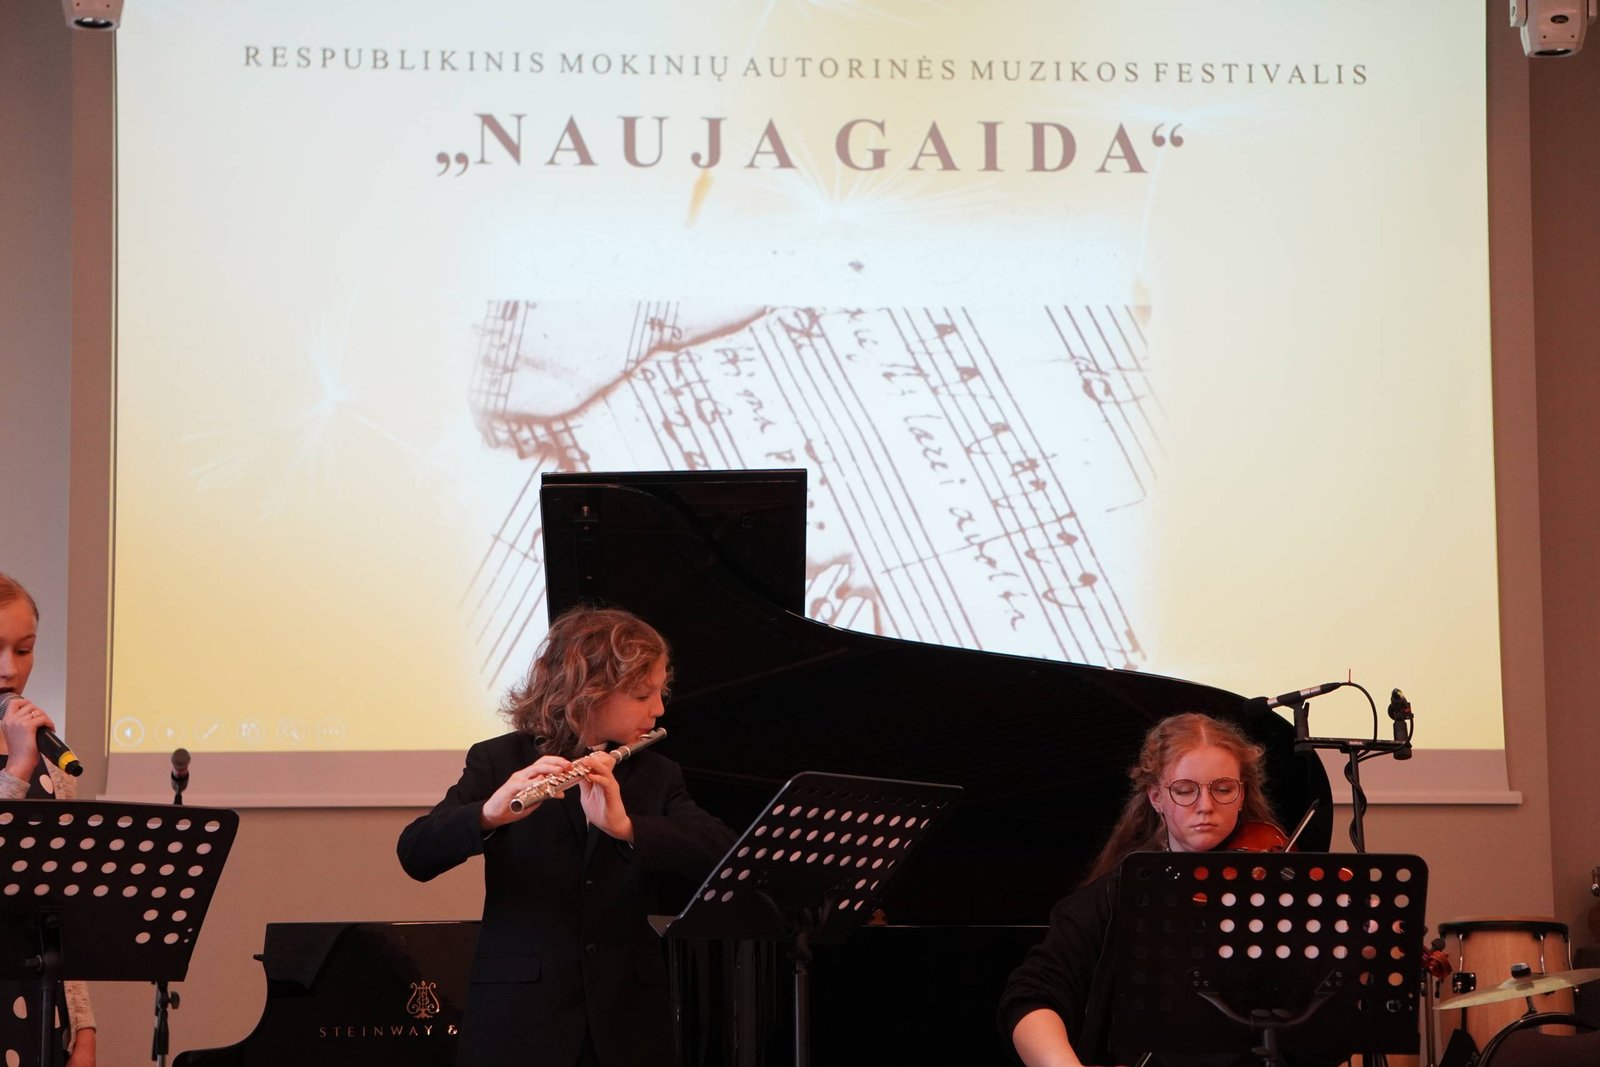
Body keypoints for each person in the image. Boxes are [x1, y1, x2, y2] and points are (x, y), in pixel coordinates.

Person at [397, 605, 734, 1067]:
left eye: (660, 691)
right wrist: (489, 814)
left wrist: (627, 828)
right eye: (642, 694)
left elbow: (723, 852)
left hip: (627, 1023)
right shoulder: (499, 761)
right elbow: (415, 853)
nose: (658, 709)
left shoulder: (656, 774)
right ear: (589, 692)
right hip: (521, 1021)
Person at [1000, 712, 1282, 1067]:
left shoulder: (1277, 886)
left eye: (1223, 789)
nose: (1206, 806)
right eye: (1184, 790)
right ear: (1156, 798)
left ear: (1242, 795)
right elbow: (1032, 997)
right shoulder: (1115, 895)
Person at [0, 573, 97, 1067]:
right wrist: (17, 769)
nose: (9, 670)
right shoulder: (25, 756)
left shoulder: (51, 762)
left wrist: (83, 1024)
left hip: (40, 1004)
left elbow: (58, 908)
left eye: (24, 650)